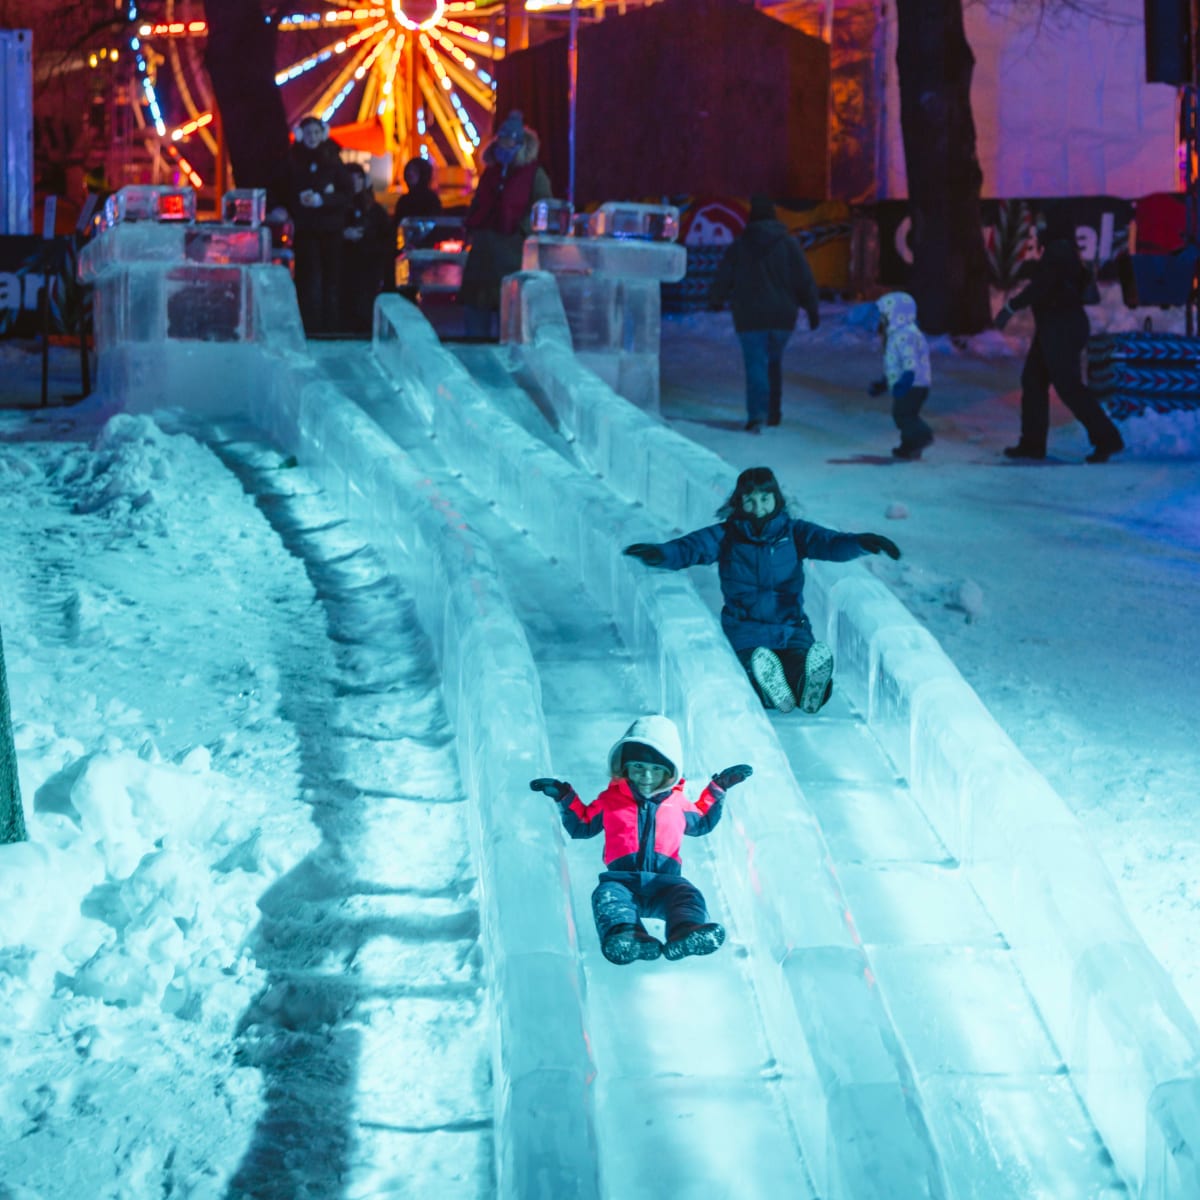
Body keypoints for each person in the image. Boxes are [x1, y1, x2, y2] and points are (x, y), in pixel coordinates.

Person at [623, 467, 900, 714]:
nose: (758, 508)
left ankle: (807, 691)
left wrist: (865, 542)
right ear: (739, 503)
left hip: (790, 627)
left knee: (803, 666)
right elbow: (689, 549)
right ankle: (769, 692)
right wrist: (659, 554)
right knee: (755, 667)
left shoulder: (794, 533)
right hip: (746, 630)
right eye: (750, 500)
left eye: (764, 499)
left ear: (776, 500)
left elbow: (831, 543)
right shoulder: (726, 536)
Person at [530, 715, 752, 964]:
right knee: (607, 898)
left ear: (671, 772)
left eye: (657, 769)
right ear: (624, 768)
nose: (646, 776)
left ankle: (685, 931)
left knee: (688, 895)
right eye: (638, 767)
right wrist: (564, 796)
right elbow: (583, 825)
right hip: (622, 881)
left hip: (666, 883)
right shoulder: (609, 800)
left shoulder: (677, 804)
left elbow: (701, 822)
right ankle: (629, 936)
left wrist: (718, 788)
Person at [994, 209, 1125, 463]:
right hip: (1055, 327)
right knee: (1033, 381)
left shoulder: (1059, 251)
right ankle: (1032, 444)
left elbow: (1041, 286)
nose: (1040, 228)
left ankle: (1107, 439)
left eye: (1044, 223)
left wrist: (1011, 307)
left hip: (1061, 327)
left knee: (1068, 387)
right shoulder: (1065, 251)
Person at [707, 194, 820, 433]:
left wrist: (716, 299)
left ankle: (757, 415)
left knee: (756, 364)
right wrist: (811, 309)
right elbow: (804, 279)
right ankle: (773, 412)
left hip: (749, 317)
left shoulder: (740, 246)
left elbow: (724, 276)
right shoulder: (788, 244)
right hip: (782, 317)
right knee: (773, 363)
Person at [460, 110, 552, 339]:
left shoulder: (533, 175)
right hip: (484, 260)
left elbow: (542, 210)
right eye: (501, 139)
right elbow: (479, 204)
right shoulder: (491, 174)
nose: (503, 144)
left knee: (508, 329)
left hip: (511, 259)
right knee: (477, 327)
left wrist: (521, 233)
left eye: (508, 139)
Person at [288, 115, 353, 336]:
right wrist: (300, 198)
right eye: (308, 133)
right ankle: (310, 326)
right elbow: (285, 188)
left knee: (330, 280)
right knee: (308, 279)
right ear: (300, 135)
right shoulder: (293, 160)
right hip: (306, 229)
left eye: (316, 133)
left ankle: (330, 326)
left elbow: (347, 192)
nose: (312, 137)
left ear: (323, 134)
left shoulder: (333, 159)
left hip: (330, 229)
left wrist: (323, 200)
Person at [867, 291, 934, 460]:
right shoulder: (898, 334)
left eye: (885, 315)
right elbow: (894, 365)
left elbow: (910, 361)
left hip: (913, 384)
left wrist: (906, 380)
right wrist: (885, 383)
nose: (882, 319)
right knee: (906, 415)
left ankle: (923, 435)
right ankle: (909, 447)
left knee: (903, 415)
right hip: (911, 383)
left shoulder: (906, 334)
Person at [340, 163, 392, 334]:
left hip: (368, 266)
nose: (355, 182)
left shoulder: (374, 210)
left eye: (359, 178)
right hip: (346, 265)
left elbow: (385, 238)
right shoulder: (339, 207)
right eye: (352, 178)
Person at [390, 155, 443, 228]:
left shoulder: (431, 200)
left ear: (423, 174)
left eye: (414, 171)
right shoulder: (404, 200)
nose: (410, 174)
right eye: (408, 170)